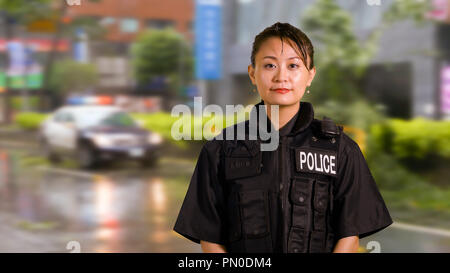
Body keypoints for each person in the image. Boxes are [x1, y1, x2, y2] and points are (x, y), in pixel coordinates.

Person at [173, 22, 393, 253]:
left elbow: (349, 235)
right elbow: (210, 238)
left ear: (310, 75)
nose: (281, 77)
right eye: (269, 65)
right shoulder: (221, 150)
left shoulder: (340, 149)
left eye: (293, 65)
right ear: (252, 73)